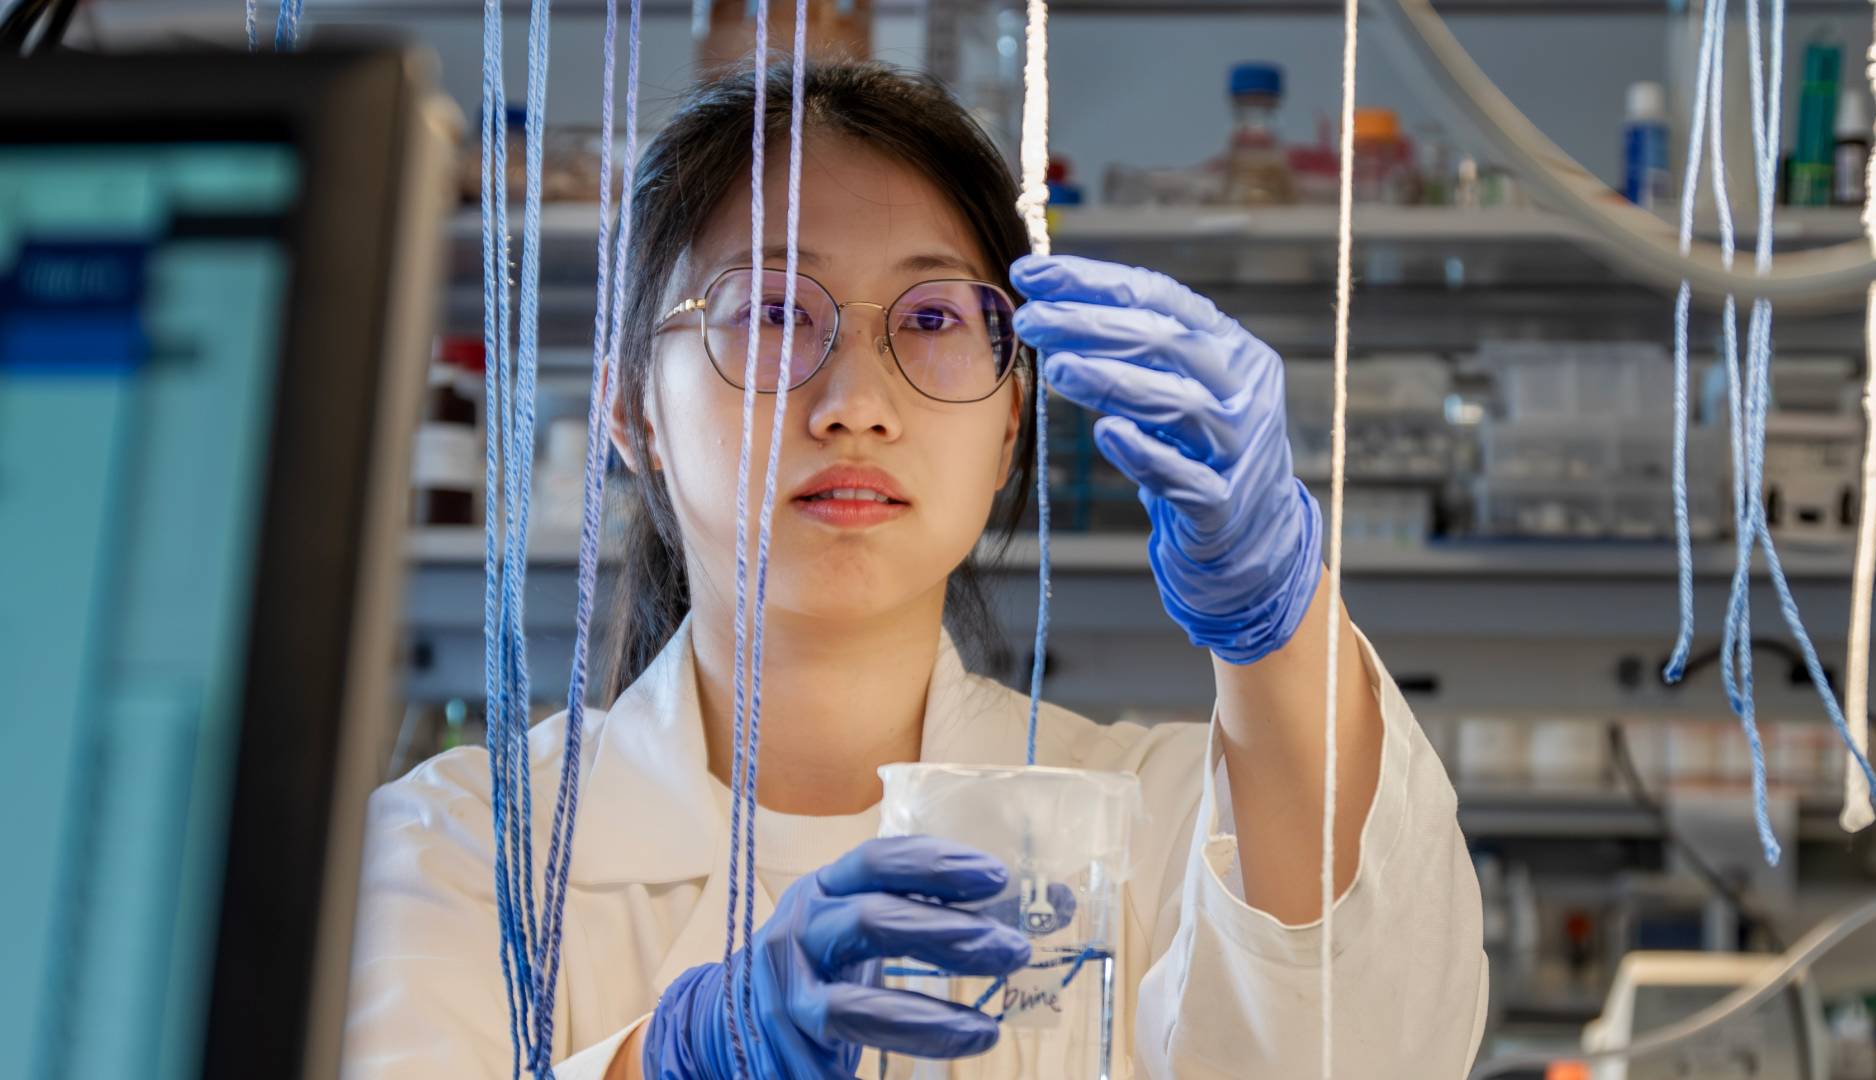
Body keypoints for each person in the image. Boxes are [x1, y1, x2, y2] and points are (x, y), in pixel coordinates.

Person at [345, 61, 1486, 1078]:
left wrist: (1277, 620)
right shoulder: (464, 851)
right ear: (631, 412)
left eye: (935, 318)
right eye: (775, 312)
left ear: (1009, 425)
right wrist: (680, 1058)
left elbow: (1372, 1042)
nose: (856, 407)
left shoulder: (1153, 825)